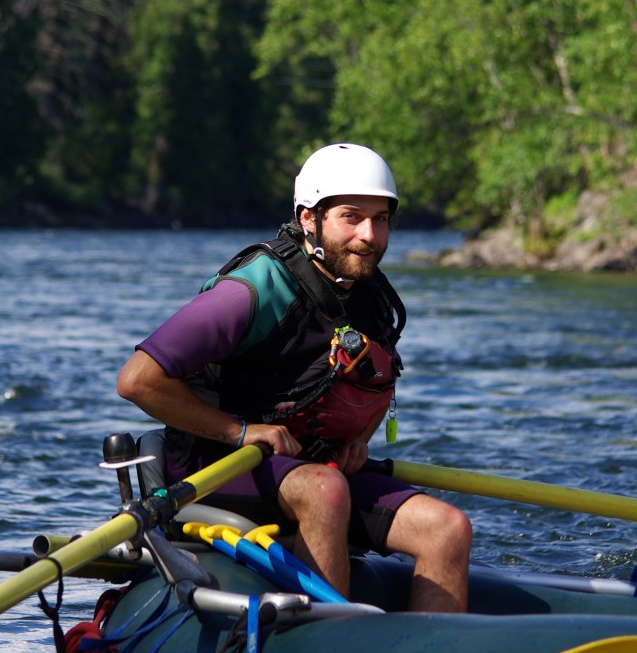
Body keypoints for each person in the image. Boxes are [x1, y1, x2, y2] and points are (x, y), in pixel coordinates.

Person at [117, 143, 472, 611]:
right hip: (215, 464)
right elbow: (138, 379)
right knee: (326, 491)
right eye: (351, 217)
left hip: (313, 468)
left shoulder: (373, 298)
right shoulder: (255, 289)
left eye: (381, 219)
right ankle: (332, 639)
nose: (369, 235)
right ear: (309, 219)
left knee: (447, 528)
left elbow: (371, 384)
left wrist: (357, 440)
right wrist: (240, 431)